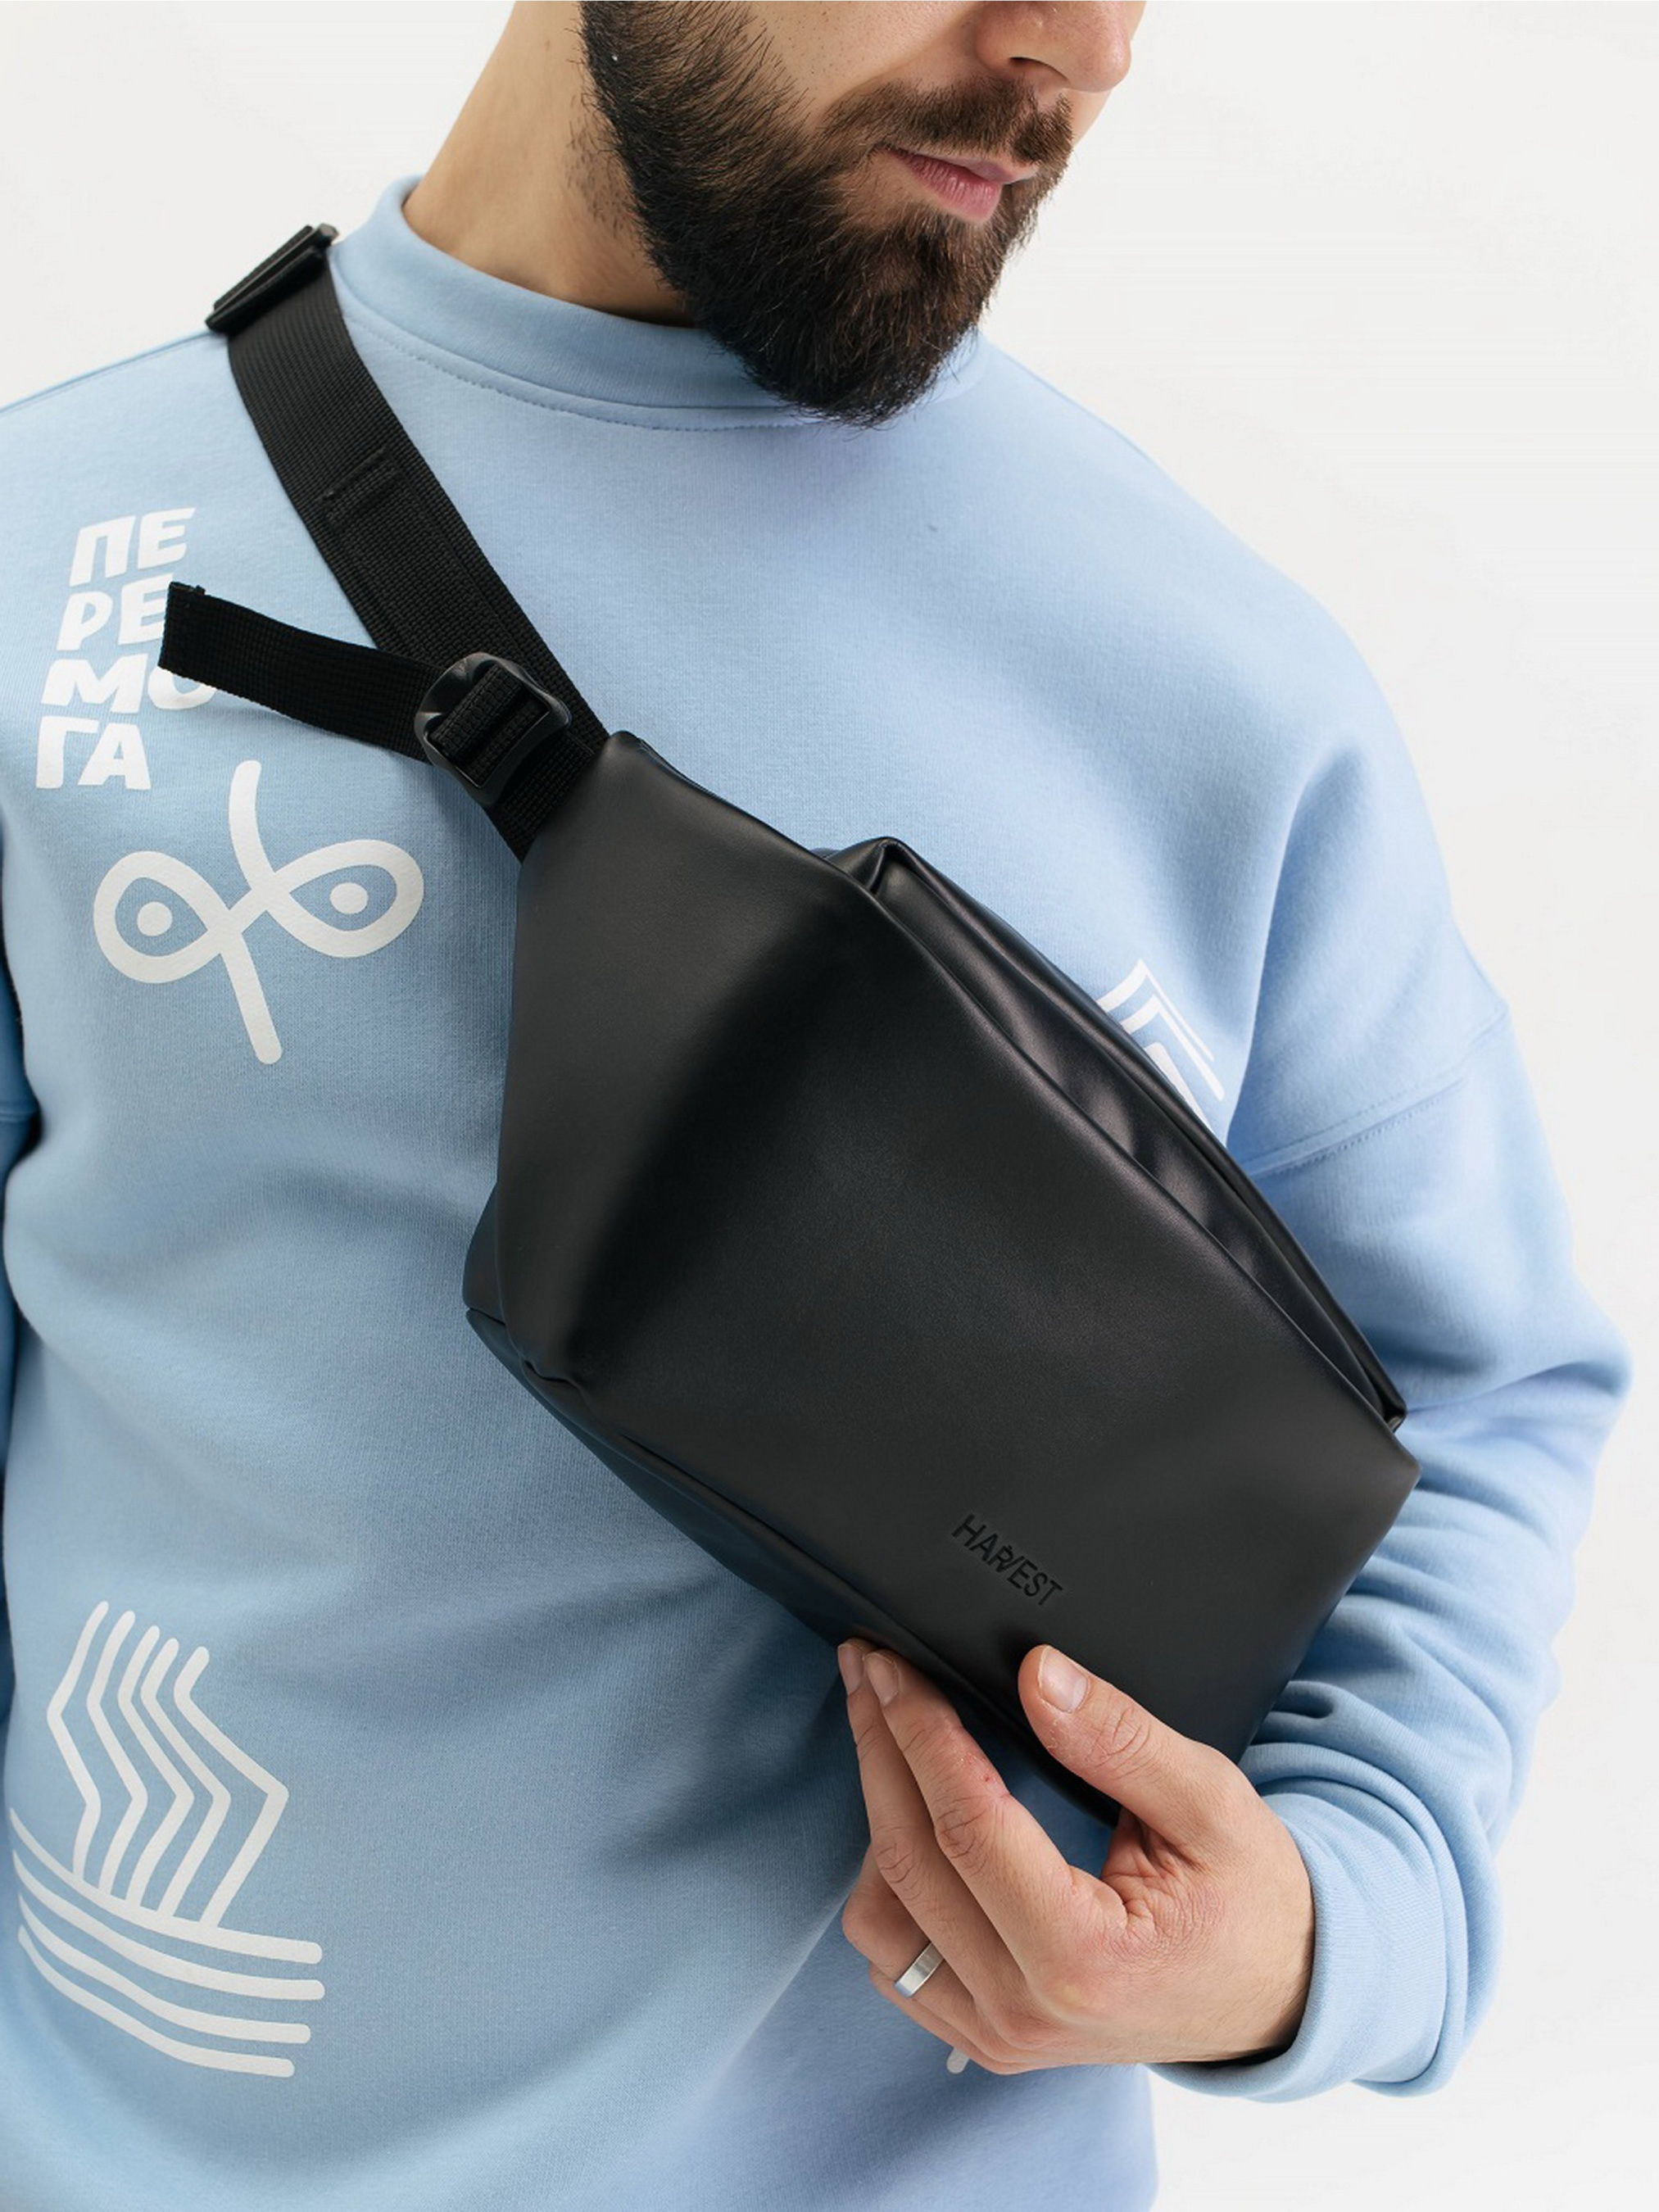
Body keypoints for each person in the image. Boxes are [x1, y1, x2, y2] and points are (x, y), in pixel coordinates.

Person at [0, 5, 1630, 2208]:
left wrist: (1332, 1918)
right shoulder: (47, 570)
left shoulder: (1212, 681)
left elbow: (1475, 1387)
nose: (1078, 46)